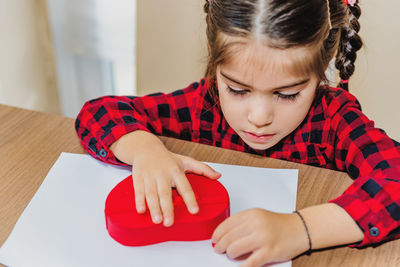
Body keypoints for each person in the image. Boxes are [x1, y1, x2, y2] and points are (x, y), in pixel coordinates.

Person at [75, 0, 400, 266]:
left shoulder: (333, 119)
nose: (258, 118)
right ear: (215, 62)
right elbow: (99, 112)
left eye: (287, 94)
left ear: (322, 65)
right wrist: (146, 150)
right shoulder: (204, 104)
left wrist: (300, 230)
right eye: (237, 89)